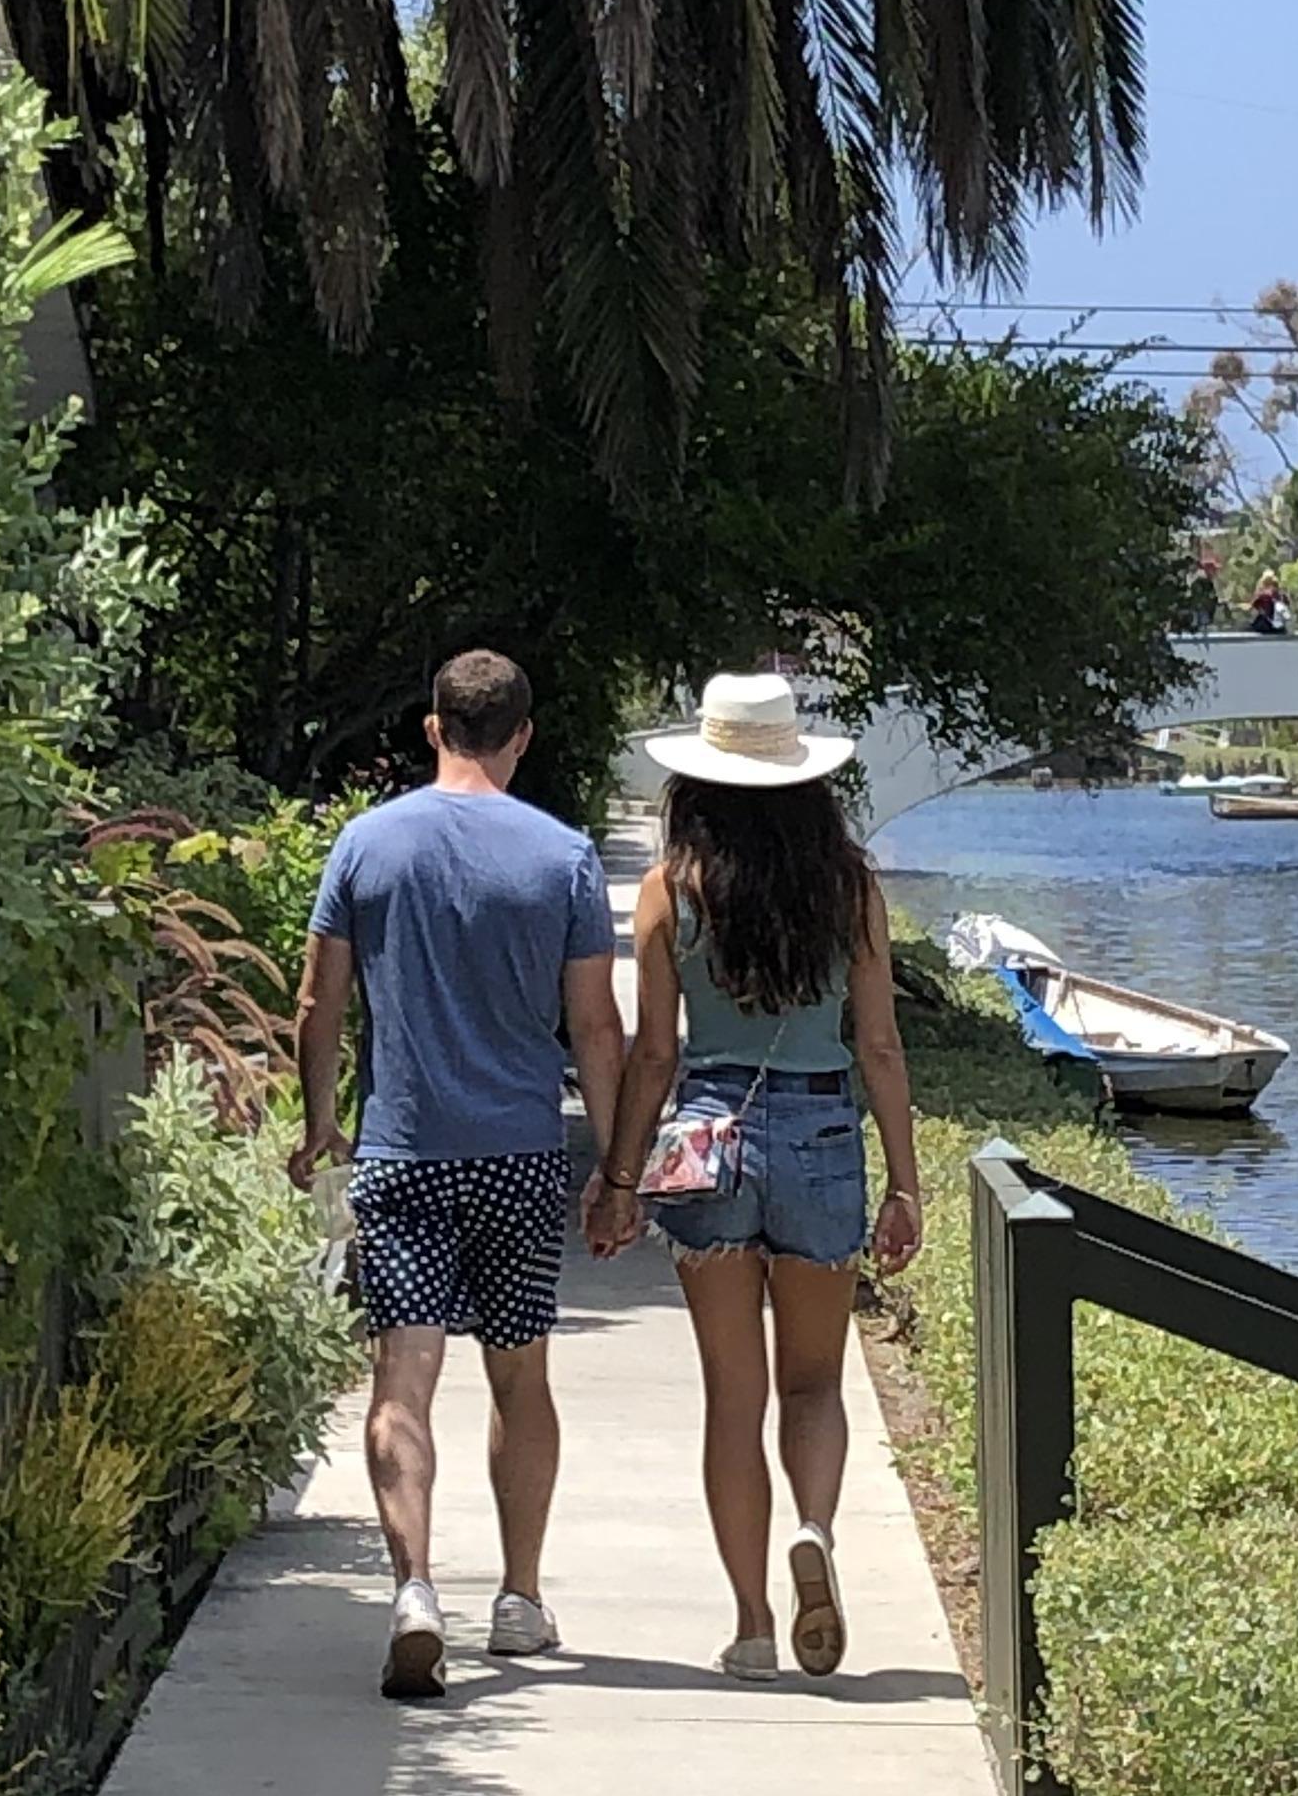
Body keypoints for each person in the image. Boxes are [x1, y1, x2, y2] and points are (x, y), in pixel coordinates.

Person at [292, 649, 627, 1701]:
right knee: (519, 1376)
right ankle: (519, 1598)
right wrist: (616, 1169)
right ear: (522, 735)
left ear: (434, 729)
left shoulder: (365, 845)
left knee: (404, 1378)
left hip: (401, 1149)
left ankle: (415, 1589)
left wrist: (317, 1127)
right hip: (519, 1158)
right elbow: (595, 1025)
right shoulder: (563, 859)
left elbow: (319, 1007)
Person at [589, 672, 926, 1679]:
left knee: (731, 1396)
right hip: (822, 1129)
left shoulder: (671, 889)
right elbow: (880, 1046)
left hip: (706, 1137)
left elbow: (655, 1054)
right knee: (815, 1382)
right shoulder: (850, 886)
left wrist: (617, 1180)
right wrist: (904, 1183)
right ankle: (814, 1530)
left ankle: (749, 1625)